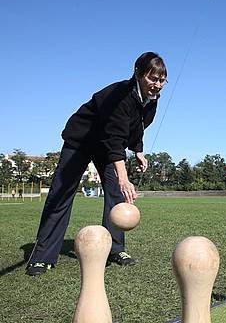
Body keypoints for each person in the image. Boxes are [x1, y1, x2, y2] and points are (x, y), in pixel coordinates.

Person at [26, 52, 167, 276]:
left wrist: (138, 151)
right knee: (60, 194)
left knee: (115, 194)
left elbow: (136, 127)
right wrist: (124, 178)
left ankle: (115, 249)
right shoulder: (122, 96)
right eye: (153, 78)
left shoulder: (151, 100)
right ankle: (42, 256)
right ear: (138, 74)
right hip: (81, 141)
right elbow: (115, 138)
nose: (157, 85)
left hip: (106, 145)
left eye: (161, 80)